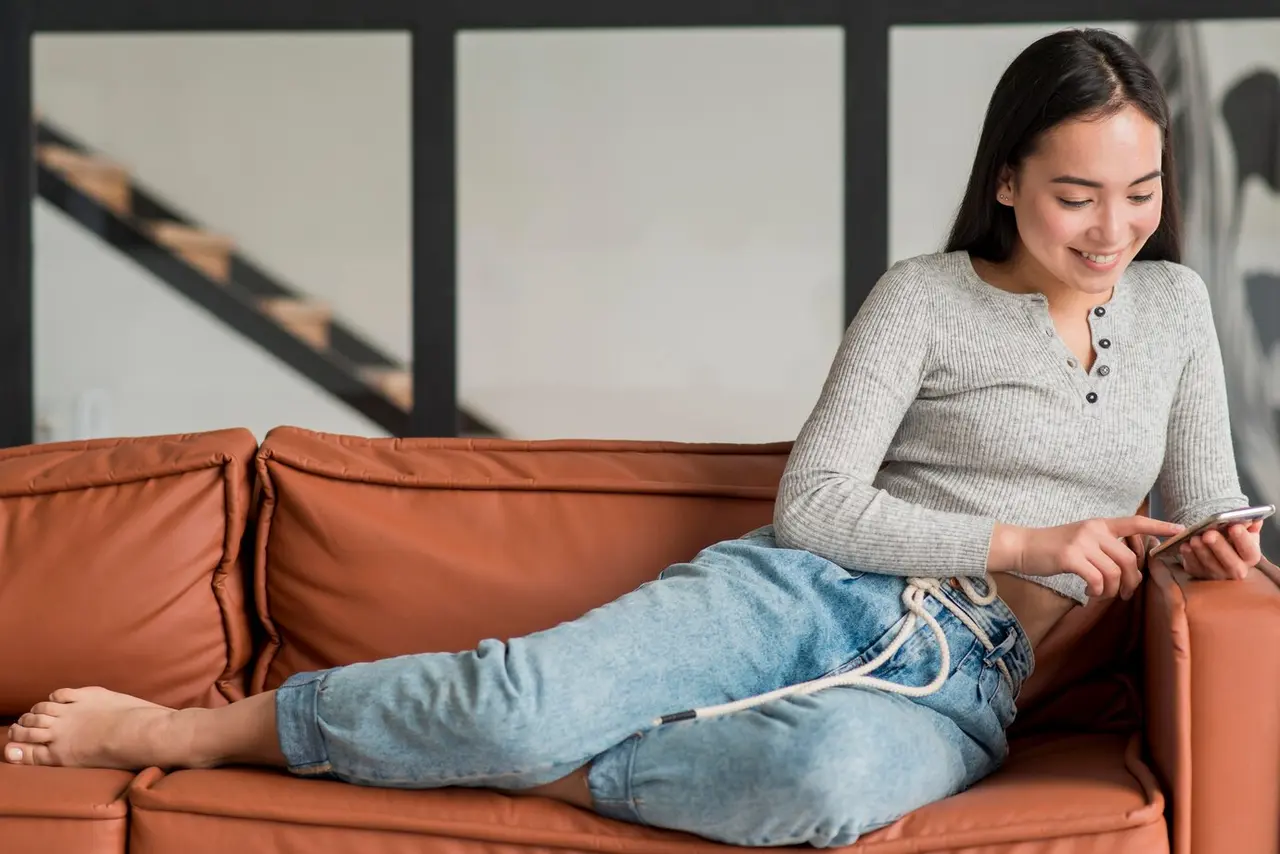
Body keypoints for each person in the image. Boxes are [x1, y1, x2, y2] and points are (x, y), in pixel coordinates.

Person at [2, 27, 1267, 848]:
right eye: (1075, 195)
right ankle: (187, 730)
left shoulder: (1172, 306)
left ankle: (510, 769)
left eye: (1141, 194)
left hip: (966, 678)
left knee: (821, 786)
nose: (1113, 231)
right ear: (1004, 178)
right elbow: (819, 501)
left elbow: (1207, 499)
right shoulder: (922, 297)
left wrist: (1224, 546)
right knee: (517, 697)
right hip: (807, 590)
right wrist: (1027, 533)